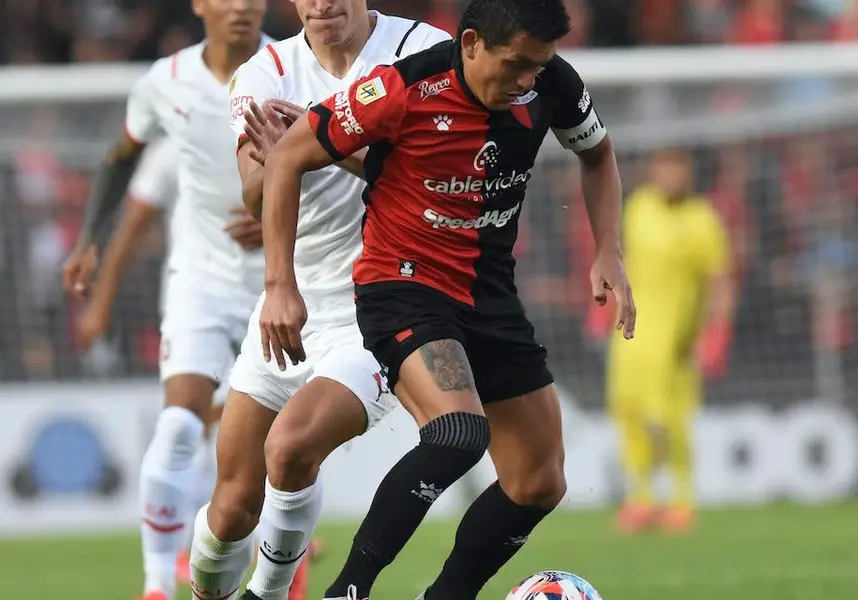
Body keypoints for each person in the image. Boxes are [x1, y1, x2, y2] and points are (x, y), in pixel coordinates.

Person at [258, 0, 636, 598]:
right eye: (516, 65)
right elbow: (288, 155)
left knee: (539, 480)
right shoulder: (401, 89)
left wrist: (609, 250)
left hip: (489, 294)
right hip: (402, 286)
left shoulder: (553, 83)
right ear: (469, 44)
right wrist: (280, 285)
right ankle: (348, 590)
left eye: (537, 67)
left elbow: (598, 155)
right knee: (459, 432)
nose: (525, 82)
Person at [185, 3, 452, 600]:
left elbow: (436, 180)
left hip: (386, 307)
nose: (324, 4)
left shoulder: (424, 52)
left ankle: (272, 592)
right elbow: (256, 198)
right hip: (289, 308)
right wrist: (282, 157)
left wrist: (317, 137)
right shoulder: (266, 71)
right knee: (230, 510)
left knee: (293, 444)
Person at [59, 1, 271, 599]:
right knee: (180, 424)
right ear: (201, 4)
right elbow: (123, 160)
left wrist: (285, 210)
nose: (243, 7)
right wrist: (88, 244)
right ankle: (156, 587)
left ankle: (271, 569)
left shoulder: (293, 66)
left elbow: (341, 163)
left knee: (269, 448)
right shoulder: (166, 83)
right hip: (199, 278)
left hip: (283, 281)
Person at [602, 148, 734, 534]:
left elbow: (721, 278)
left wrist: (717, 332)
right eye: (662, 167)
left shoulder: (702, 220)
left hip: (676, 342)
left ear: (688, 173)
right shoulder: (639, 207)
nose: (669, 176)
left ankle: (681, 500)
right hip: (629, 334)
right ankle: (640, 499)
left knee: (672, 422)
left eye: (677, 168)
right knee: (629, 413)